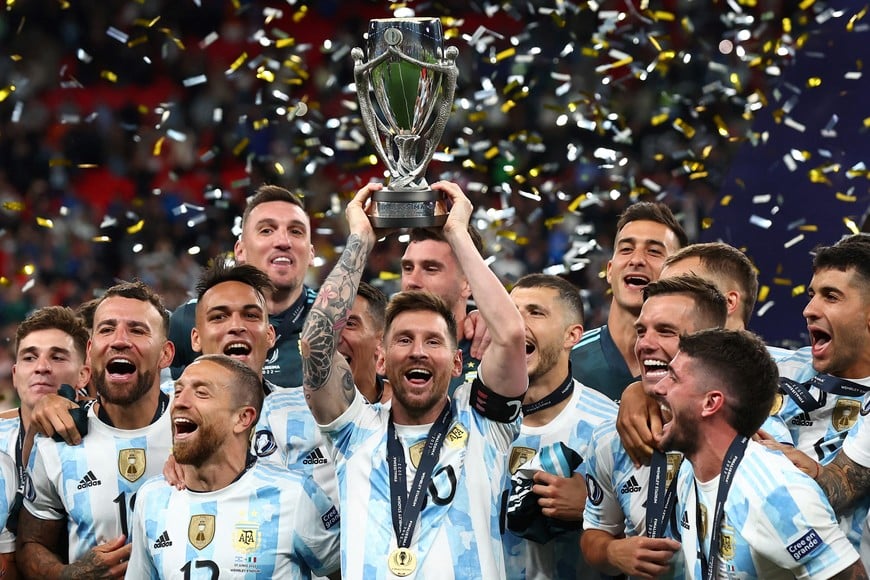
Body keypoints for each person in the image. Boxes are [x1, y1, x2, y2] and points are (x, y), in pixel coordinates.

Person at [302, 181, 527, 578]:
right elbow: (317, 344)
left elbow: (510, 336)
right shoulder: (353, 432)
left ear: (457, 364)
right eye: (404, 340)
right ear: (382, 361)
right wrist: (361, 240)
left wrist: (458, 232)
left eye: (433, 341)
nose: (418, 351)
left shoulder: (482, 425)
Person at [656, 328, 863, 578]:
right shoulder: (690, 469)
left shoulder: (774, 491)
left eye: (674, 378)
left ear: (711, 403)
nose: (658, 387)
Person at [127, 354, 341, 578]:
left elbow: (347, 571)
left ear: (242, 418)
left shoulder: (294, 495)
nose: (180, 402)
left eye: (201, 393)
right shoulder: (152, 499)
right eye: (178, 391)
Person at [17, 281, 175, 579]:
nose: (119, 340)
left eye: (137, 330)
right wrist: (69, 575)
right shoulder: (57, 438)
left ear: (165, 354)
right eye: (106, 329)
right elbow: (31, 544)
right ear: (90, 351)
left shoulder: (197, 418)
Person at [581, 275, 726, 578]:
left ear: (710, 344)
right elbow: (595, 530)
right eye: (641, 331)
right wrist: (611, 551)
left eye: (665, 331)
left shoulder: (750, 436)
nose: (645, 344)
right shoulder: (610, 439)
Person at [502, 273, 618, 579]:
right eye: (512, 312)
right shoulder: (473, 419)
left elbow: (651, 534)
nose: (517, 323)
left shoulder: (607, 426)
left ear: (572, 336)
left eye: (535, 312)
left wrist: (592, 508)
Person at [616, 241, 767, 466]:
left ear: (728, 302)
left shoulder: (795, 376)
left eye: (686, 285)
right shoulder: (653, 388)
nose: (667, 300)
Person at [169, 184, 317, 387]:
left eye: (296, 231)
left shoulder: (336, 321)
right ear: (240, 251)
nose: (283, 241)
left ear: (311, 253)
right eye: (267, 230)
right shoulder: (188, 319)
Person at [570, 202, 687, 401]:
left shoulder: (693, 368)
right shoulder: (565, 361)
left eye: (654, 251)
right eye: (626, 249)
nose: (636, 260)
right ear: (609, 270)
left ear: (679, 274)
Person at [0, 306, 91, 489]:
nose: (41, 367)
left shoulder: (105, 433)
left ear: (83, 375)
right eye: (29, 358)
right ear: (15, 375)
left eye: (57, 357)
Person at [400, 226, 486, 394]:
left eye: (430, 269)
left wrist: (495, 321)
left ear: (468, 282)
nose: (412, 281)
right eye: (408, 268)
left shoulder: (493, 352)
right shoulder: (378, 350)